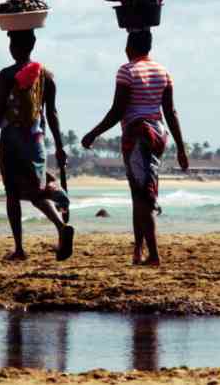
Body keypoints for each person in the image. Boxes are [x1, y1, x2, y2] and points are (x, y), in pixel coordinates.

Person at [82, 30, 189, 266]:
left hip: (138, 136)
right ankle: (138, 250)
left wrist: (93, 133)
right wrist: (181, 147)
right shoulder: (163, 72)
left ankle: (153, 254)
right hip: (158, 136)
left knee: (142, 197)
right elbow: (170, 112)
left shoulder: (127, 71)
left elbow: (117, 111)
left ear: (129, 46)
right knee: (139, 194)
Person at [0, 29, 75, 261]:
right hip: (36, 140)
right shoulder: (46, 76)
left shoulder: (7, 75)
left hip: (12, 140)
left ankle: (19, 249)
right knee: (36, 189)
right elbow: (53, 114)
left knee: (12, 193)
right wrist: (59, 146)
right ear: (33, 44)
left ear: (13, 47)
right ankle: (60, 226)